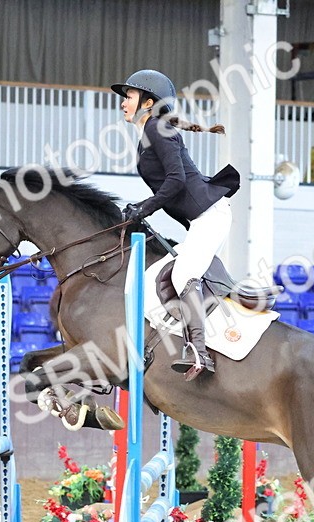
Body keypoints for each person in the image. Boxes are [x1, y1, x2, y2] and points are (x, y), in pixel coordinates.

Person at [112, 69, 240, 380]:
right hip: (200, 220)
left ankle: (199, 351)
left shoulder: (157, 128)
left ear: (148, 102)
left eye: (128, 97)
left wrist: (145, 208)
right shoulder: (152, 132)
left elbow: (176, 179)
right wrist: (141, 208)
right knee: (164, 273)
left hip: (210, 215)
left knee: (184, 274)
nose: (123, 103)